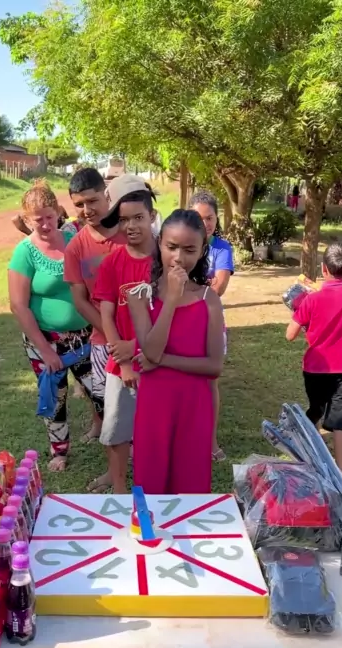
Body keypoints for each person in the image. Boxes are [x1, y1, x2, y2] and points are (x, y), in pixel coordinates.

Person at [7, 180, 103, 472]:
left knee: (102, 390)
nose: (46, 225)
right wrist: (45, 351)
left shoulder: (74, 238)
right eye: (38, 220)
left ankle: (122, 439)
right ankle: (59, 452)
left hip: (84, 337)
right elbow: (19, 305)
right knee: (56, 397)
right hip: (45, 341)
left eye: (49, 217)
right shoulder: (24, 252)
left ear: (58, 212)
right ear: (27, 220)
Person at [128, 209, 224, 494]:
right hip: (154, 407)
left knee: (190, 487)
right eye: (171, 247)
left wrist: (162, 361)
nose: (179, 257)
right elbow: (151, 350)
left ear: (202, 251)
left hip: (194, 407)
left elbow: (214, 366)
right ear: (159, 243)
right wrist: (170, 299)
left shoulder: (208, 300)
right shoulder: (140, 296)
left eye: (189, 250)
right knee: (151, 485)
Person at [286, 243, 342, 472]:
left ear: (323, 268)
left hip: (315, 368)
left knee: (315, 410)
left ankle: (313, 461)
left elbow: (290, 335)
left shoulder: (311, 300)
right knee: (341, 421)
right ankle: (340, 470)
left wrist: (300, 310)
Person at [64, 167, 127, 491]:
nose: (87, 209)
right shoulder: (76, 247)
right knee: (110, 410)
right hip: (104, 343)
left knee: (147, 409)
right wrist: (112, 332)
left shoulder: (131, 232)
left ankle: (148, 467)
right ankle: (114, 475)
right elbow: (80, 300)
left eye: (92, 201)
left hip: (144, 338)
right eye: (79, 204)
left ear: (106, 196)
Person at [94, 175, 156, 493]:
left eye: (138, 218)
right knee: (116, 430)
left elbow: (170, 315)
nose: (130, 226)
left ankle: (153, 488)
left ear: (152, 217)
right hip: (122, 366)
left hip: (158, 360)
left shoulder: (165, 260)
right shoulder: (112, 263)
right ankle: (119, 489)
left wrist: (138, 347)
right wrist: (125, 360)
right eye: (124, 220)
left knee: (154, 432)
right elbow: (106, 315)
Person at [189, 190, 234, 462]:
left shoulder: (222, 249)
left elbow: (219, 288)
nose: (205, 223)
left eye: (210, 218)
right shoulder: (178, 244)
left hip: (210, 324)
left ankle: (211, 441)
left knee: (209, 384)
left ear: (217, 220)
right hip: (181, 323)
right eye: (199, 217)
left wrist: (189, 291)